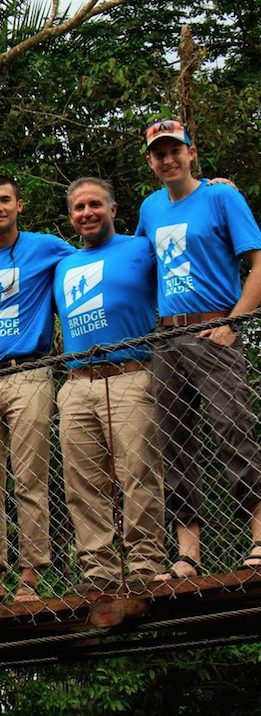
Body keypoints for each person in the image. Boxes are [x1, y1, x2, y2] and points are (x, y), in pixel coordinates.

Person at [135, 119, 261, 577]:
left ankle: (260, 538)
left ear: (191, 153)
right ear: (150, 162)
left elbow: (258, 261)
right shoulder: (150, 209)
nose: (168, 159)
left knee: (233, 430)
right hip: (167, 338)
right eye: (159, 153)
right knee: (175, 443)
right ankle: (188, 553)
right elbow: (136, 265)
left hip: (214, 330)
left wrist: (234, 322)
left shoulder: (221, 196)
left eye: (176, 150)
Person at [0, 175, 74, 607]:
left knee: (29, 479)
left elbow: (100, 256)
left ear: (19, 206)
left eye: (5, 199)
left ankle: (30, 576)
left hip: (31, 371)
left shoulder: (45, 247)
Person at [54, 178, 166, 593]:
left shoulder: (141, 247)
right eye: (79, 207)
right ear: (71, 217)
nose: (87, 213)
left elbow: (186, 235)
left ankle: (145, 565)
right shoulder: (62, 264)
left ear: (114, 209)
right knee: (81, 482)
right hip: (77, 382)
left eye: (95, 205)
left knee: (138, 472)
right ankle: (98, 572)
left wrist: (212, 185)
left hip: (131, 376)